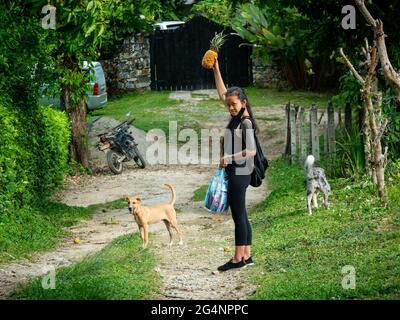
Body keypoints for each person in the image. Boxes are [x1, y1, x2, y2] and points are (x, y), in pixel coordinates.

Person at [212, 58, 258, 271]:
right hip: (237, 171)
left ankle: (237, 259)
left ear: (243, 103)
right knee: (242, 214)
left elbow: (251, 151)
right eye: (228, 105)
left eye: (233, 104)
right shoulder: (236, 115)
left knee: (238, 216)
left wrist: (228, 158)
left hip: (241, 171)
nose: (230, 107)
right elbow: (223, 92)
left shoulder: (245, 122)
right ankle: (247, 256)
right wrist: (216, 68)